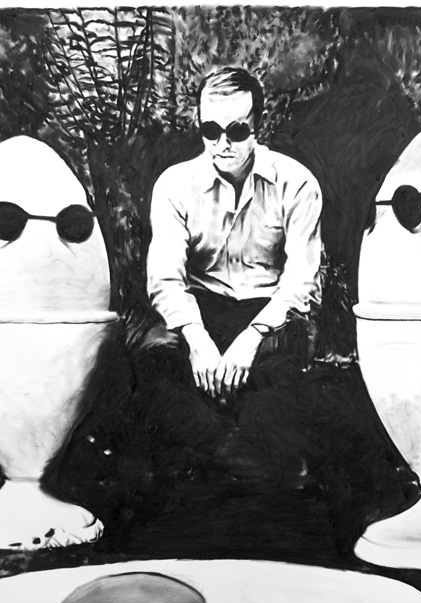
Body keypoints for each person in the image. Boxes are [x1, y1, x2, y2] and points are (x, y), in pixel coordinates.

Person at [139, 65, 323, 486]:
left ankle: (245, 464)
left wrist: (252, 337)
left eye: (237, 131)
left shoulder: (296, 184)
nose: (222, 144)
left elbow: (302, 282)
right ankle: (225, 457)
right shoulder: (174, 185)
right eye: (210, 130)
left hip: (270, 312)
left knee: (279, 382)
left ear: (259, 125)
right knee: (155, 361)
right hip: (202, 306)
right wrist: (197, 338)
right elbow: (165, 279)